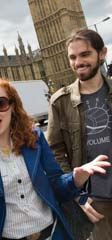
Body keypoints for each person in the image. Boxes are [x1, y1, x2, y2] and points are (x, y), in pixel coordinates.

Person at [0, 76, 110, 240]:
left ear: (12, 106)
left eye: (0, 104)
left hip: (52, 233)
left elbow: (56, 185)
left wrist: (75, 179)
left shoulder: (34, 137)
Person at [47, 28, 112, 240]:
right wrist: (76, 194)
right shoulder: (60, 102)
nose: (78, 62)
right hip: (95, 202)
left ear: (102, 53)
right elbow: (55, 153)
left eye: (85, 54)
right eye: (73, 57)